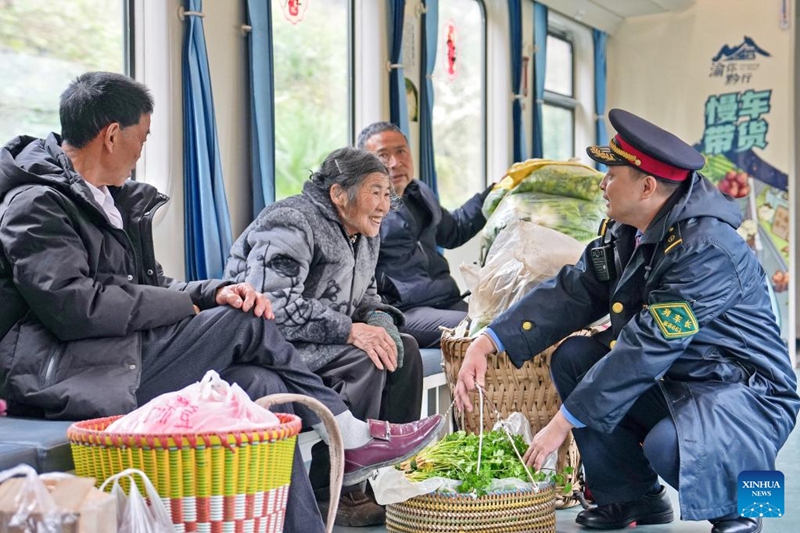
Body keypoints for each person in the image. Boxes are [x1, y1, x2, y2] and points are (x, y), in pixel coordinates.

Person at [0, 71, 443, 533]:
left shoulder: (106, 199)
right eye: (142, 137)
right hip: (70, 371)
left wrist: (209, 291)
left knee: (259, 389)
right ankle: (349, 432)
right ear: (112, 135)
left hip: (120, 354)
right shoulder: (37, 205)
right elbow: (76, 307)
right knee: (241, 321)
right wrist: (191, 307)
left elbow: (148, 285)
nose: (142, 151)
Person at [454, 109, 799, 533]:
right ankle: (632, 498)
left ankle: (742, 509)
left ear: (647, 186)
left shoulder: (705, 249)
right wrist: (488, 341)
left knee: (668, 446)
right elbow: (575, 289)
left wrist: (561, 423)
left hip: (744, 391)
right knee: (576, 357)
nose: (602, 184)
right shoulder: (629, 230)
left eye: (611, 175)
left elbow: (647, 346)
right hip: (683, 379)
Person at [223, 146, 423, 526]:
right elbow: (271, 305)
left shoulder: (364, 232)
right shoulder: (291, 221)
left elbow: (365, 295)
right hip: (272, 348)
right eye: (375, 192)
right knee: (365, 360)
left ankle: (387, 474)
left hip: (322, 342)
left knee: (403, 349)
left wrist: (379, 320)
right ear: (337, 193)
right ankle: (340, 487)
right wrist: (349, 331)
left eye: (387, 194)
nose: (385, 204)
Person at [357, 122, 493, 348]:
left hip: (446, 300)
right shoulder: (364, 210)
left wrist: (493, 195)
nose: (395, 163)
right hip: (403, 311)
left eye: (401, 151)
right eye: (383, 156)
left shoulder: (419, 192)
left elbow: (453, 231)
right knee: (483, 327)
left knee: (509, 318)